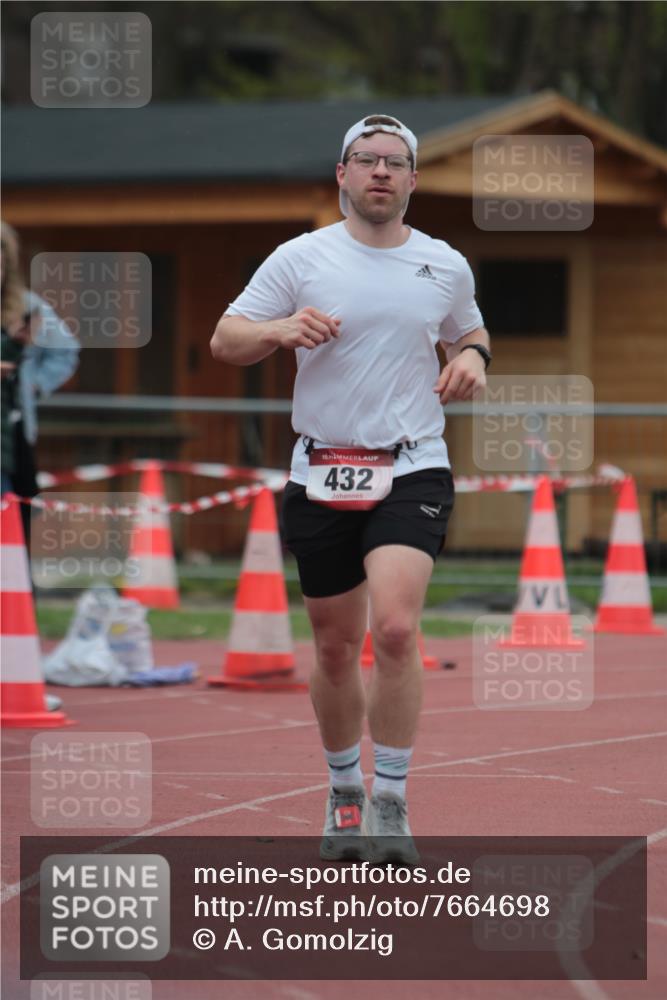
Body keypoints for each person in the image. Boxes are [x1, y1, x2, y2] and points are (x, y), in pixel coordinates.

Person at [211, 114, 491, 863]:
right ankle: (343, 790)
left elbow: (469, 332)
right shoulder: (299, 258)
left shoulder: (443, 263)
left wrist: (475, 360)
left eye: (393, 163)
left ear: (411, 180)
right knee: (335, 648)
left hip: (410, 463)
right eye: (364, 160)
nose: (378, 173)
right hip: (321, 466)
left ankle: (391, 797)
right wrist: (277, 331)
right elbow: (224, 339)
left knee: (394, 629)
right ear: (341, 173)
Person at [1, 221, 80, 527]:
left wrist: (33, 385)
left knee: (12, 513)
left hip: (10, 431)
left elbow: (66, 350)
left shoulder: (27, 308)